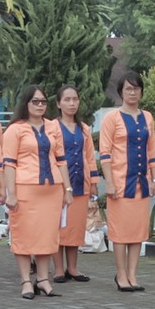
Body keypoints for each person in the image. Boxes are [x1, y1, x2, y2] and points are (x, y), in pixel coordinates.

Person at [0, 86, 66, 300]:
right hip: (25, 188)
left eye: (43, 102)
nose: (39, 105)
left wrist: (68, 188)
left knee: (47, 235)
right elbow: (8, 163)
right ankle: (26, 280)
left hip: (51, 189)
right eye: (35, 101)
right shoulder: (15, 129)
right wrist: (11, 193)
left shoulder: (53, 126)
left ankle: (43, 279)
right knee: (24, 233)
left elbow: (61, 159)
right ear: (26, 103)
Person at [98, 70, 155, 293]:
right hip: (120, 182)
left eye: (136, 88)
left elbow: (151, 149)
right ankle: (121, 275)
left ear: (141, 92)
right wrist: (109, 182)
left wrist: (154, 178)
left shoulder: (147, 117)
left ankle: (133, 275)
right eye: (128, 88)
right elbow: (104, 152)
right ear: (121, 92)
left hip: (141, 183)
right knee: (120, 232)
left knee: (137, 231)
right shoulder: (112, 118)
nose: (132, 92)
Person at [52, 86, 93, 284]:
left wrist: (93, 181)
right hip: (59, 185)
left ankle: (73, 268)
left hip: (80, 183)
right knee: (59, 227)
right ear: (58, 103)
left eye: (75, 99)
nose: (71, 103)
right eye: (66, 100)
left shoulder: (84, 128)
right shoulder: (52, 127)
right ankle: (58, 269)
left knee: (75, 227)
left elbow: (90, 157)